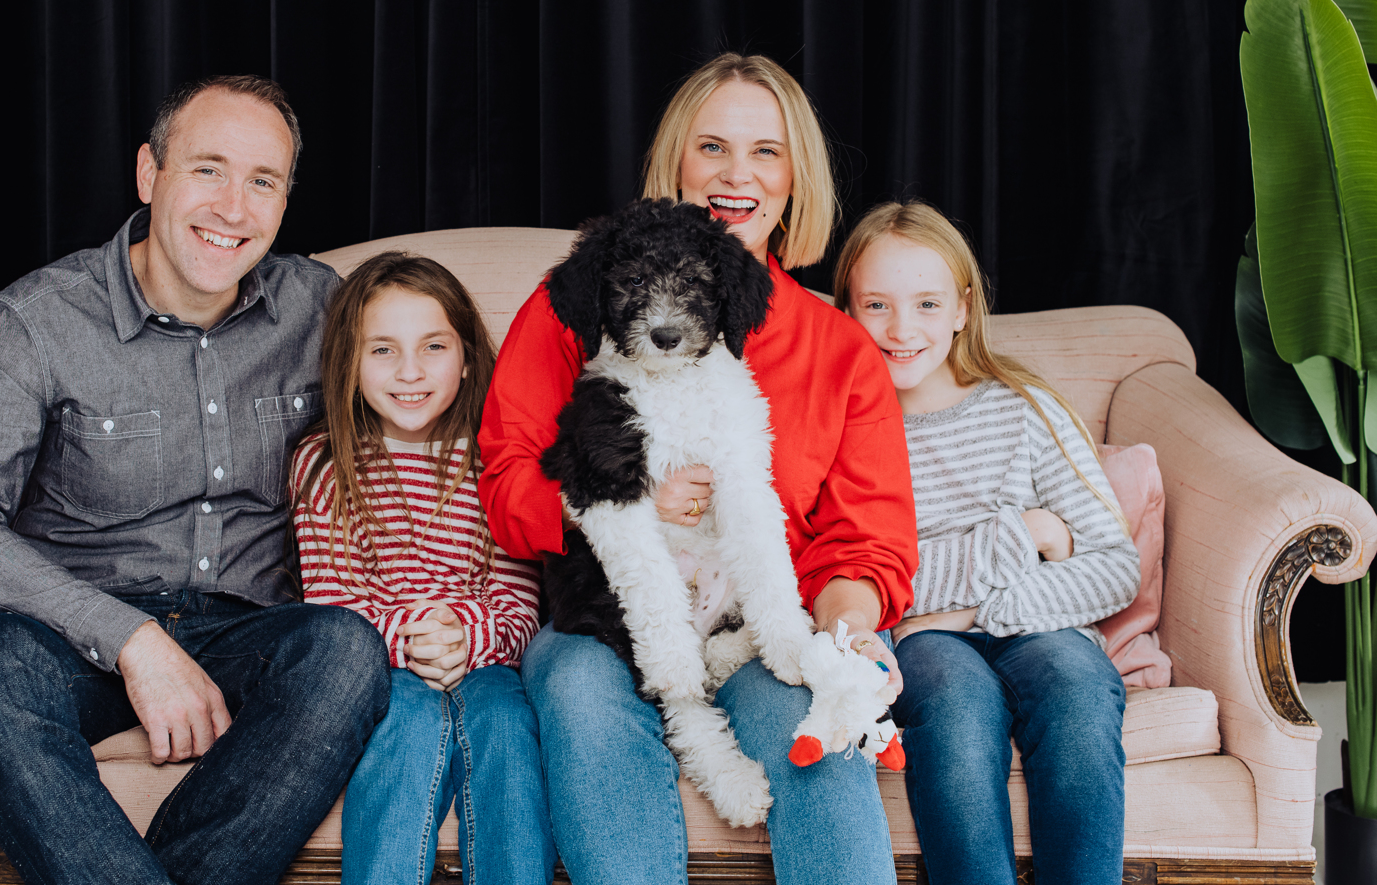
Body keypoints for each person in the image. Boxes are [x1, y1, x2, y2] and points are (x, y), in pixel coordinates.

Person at [0, 76, 391, 885]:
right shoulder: (35, 321)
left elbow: (429, 429)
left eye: (262, 180)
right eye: (208, 169)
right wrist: (132, 640)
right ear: (148, 174)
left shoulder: (322, 308)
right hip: (73, 636)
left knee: (343, 650)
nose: (233, 207)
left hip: (249, 632)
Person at [478, 52, 919, 885]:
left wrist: (848, 628)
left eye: (766, 151)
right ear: (675, 160)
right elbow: (505, 484)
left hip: (754, 629)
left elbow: (867, 540)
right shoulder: (575, 304)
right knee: (574, 689)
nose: (736, 174)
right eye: (712, 147)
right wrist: (630, 503)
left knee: (807, 720)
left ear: (797, 179)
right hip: (602, 623)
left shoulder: (839, 352)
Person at [834, 200, 1140, 885]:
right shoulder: (846, 430)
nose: (901, 328)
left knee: (1078, 691)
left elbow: (1115, 566)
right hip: (924, 643)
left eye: (926, 303)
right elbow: (885, 580)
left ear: (963, 309)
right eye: (876, 304)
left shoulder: (1024, 406)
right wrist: (1021, 535)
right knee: (955, 708)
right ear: (846, 312)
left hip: (1040, 624)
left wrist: (967, 611)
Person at [290, 251, 555, 885]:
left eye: (432, 346)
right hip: (381, 667)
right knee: (404, 725)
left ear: (466, 358)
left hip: (484, 660)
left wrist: (465, 635)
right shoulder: (323, 462)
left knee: (508, 725)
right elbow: (333, 610)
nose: (410, 372)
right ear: (348, 366)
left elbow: (520, 605)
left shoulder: (498, 462)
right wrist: (417, 638)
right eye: (381, 350)